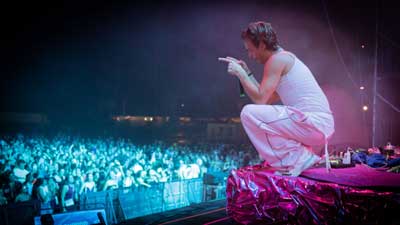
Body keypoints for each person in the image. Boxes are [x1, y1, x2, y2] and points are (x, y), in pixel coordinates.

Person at [219, 21, 334, 176]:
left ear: (261, 45)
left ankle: (298, 158)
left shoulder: (277, 60)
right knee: (260, 117)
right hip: (317, 126)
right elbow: (266, 100)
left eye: (250, 50)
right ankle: (299, 157)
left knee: (248, 113)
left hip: (315, 123)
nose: (250, 56)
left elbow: (259, 101)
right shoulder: (283, 59)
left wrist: (240, 74)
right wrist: (247, 73)